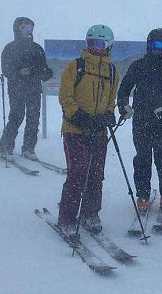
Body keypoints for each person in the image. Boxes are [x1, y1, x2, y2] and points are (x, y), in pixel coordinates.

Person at [57, 24, 119, 238]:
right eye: (91, 43)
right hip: (75, 130)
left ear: (108, 46)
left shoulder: (112, 71)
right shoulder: (76, 67)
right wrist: (79, 116)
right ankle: (67, 218)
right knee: (77, 173)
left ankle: (90, 213)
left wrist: (108, 114)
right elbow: (65, 97)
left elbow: (112, 99)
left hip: (98, 132)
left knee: (95, 175)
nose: (95, 48)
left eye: (100, 44)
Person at [117, 28, 162, 215]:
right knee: (142, 159)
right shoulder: (138, 66)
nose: (157, 49)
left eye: (161, 45)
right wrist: (123, 106)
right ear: (148, 45)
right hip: (141, 120)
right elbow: (124, 88)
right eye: (153, 44)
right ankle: (143, 196)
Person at [0, 17, 53, 161]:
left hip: (34, 89)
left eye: (30, 28)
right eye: (25, 27)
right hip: (17, 89)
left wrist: (37, 72)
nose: (28, 31)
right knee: (16, 116)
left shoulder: (37, 49)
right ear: (17, 28)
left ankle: (28, 148)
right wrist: (19, 73)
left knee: (33, 118)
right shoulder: (10, 48)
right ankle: (5, 147)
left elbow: (44, 71)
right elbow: (6, 69)